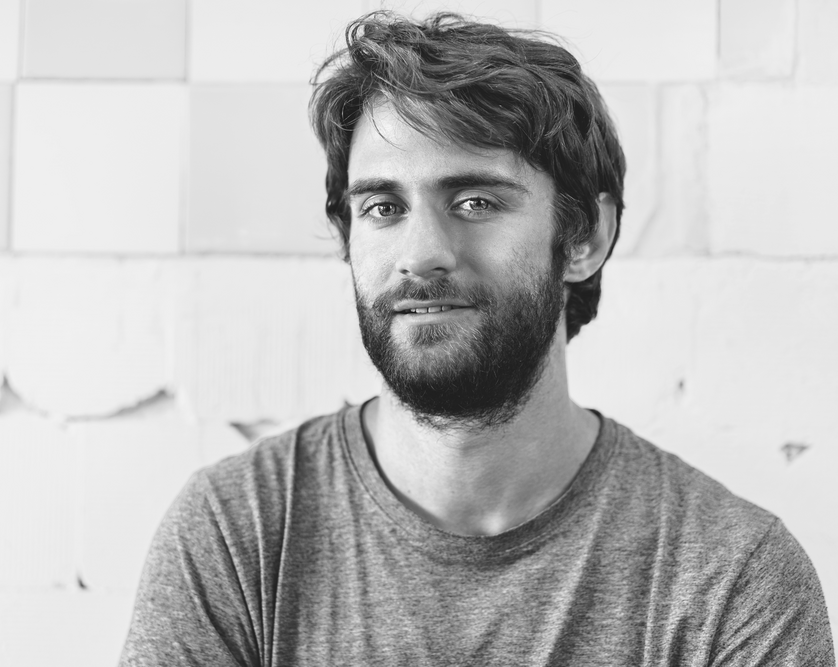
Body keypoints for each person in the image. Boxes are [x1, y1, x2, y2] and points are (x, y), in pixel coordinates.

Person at [119, 12, 834, 666]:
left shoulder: (730, 579)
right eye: (383, 206)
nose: (421, 252)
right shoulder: (237, 536)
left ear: (584, 235)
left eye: (475, 201)